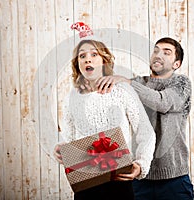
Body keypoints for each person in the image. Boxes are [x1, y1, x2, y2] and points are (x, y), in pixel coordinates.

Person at [53, 39, 156, 200]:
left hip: (119, 180)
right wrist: (60, 150)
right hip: (86, 184)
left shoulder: (122, 91)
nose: (88, 59)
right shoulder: (71, 98)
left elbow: (146, 132)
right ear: (77, 64)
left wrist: (141, 165)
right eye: (82, 56)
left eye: (94, 54)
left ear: (104, 61)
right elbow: (69, 139)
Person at [94, 37, 194, 200]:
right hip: (137, 176)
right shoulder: (136, 83)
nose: (158, 54)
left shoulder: (181, 83)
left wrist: (127, 83)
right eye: (155, 50)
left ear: (177, 64)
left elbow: (163, 102)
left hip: (174, 181)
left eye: (166, 53)